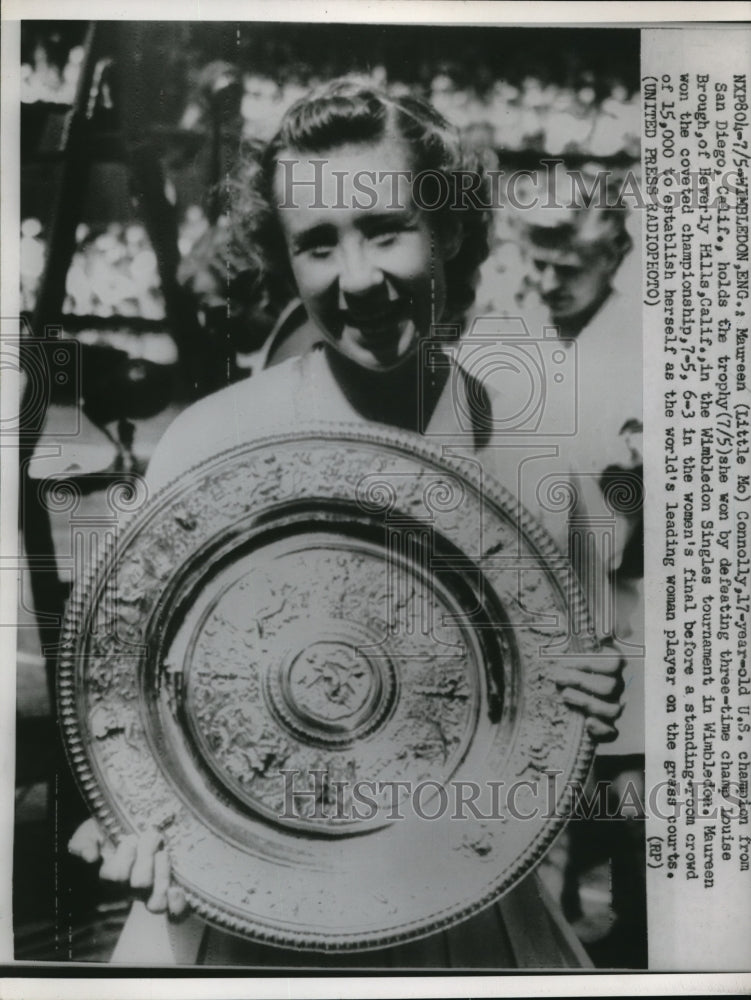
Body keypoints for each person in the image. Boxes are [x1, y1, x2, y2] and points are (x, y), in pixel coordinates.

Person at [68, 78, 626, 968]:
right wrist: (134, 819)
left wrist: (579, 711)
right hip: (241, 915)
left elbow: (546, 749)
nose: (356, 278)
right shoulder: (210, 445)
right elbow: (126, 702)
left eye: (385, 229)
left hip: (463, 920)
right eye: (318, 244)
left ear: (446, 230)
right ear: (284, 261)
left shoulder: (533, 466)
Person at [515, 192, 645, 966]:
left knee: (625, 785)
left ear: (612, 259)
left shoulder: (639, 337)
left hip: (621, 594)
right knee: (541, 782)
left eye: (569, 266)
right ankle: (544, 944)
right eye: (538, 262)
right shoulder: (524, 327)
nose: (549, 279)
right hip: (538, 583)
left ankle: (634, 939)